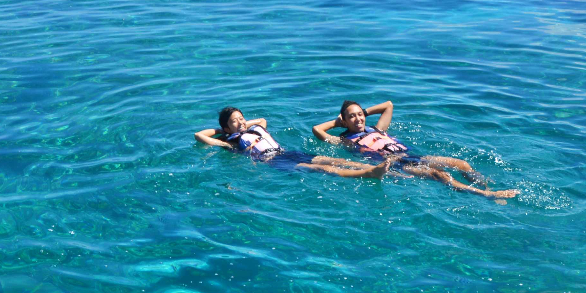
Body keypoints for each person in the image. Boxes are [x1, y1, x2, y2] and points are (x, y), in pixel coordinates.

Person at [313, 100, 518, 201]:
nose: (358, 119)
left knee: (461, 164)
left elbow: (388, 105)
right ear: (344, 120)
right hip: (397, 164)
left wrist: (363, 112)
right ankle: (486, 195)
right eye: (352, 117)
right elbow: (317, 130)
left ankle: (488, 188)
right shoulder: (346, 140)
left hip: (412, 156)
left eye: (360, 115)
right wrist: (337, 122)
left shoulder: (377, 129)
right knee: (439, 175)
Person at [196, 107, 390, 178]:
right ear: (227, 128)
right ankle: (367, 173)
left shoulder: (255, 128)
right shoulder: (232, 142)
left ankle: (372, 168)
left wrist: (245, 123)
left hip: (285, 153)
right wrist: (222, 132)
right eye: (234, 121)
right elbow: (199, 135)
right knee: (321, 168)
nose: (240, 122)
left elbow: (262, 120)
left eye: (241, 118)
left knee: (328, 159)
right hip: (272, 161)